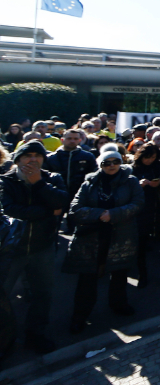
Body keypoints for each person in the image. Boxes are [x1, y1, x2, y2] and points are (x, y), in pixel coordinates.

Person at [0, 141, 69, 354]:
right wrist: (48, 212)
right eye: (27, 155)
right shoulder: (5, 181)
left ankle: (36, 334)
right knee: (3, 296)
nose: (32, 159)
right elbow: (9, 209)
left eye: (37, 156)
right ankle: (4, 340)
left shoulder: (52, 179)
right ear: (18, 159)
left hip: (43, 247)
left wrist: (38, 183)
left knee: (42, 294)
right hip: (11, 250)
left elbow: (63, 202)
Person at [64, 150, 144, 333]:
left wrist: (113, 214)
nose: (111, 165)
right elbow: (75, 208)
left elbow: (138, 203)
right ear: (100, 164)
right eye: (106, 163)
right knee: (87, 278)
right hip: (92, 237)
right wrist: (100, 214)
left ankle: (119, 304)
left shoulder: (130, 181)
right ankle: (80, 316)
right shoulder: (89, 182)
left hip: (121, 234)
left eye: (115, 161)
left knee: (119, 273)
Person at [131, 142, 160, 286]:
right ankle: (142, 274)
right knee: (141, 245)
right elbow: (128, 186)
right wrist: (138, 184)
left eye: (152, 157)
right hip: (142, 210)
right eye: (147, 157)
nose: (149, 160)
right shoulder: (134, 168)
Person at [45, 129, 98, 235]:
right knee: (51, 226)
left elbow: (94, 175)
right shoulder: (51, 158)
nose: (72, 141)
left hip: (78, 194)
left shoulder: (87, 156)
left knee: (75, 228)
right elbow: (45, 177)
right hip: (57, 194)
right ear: (62, 139)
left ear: (80, 140)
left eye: (75, 139)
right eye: (69, 138)